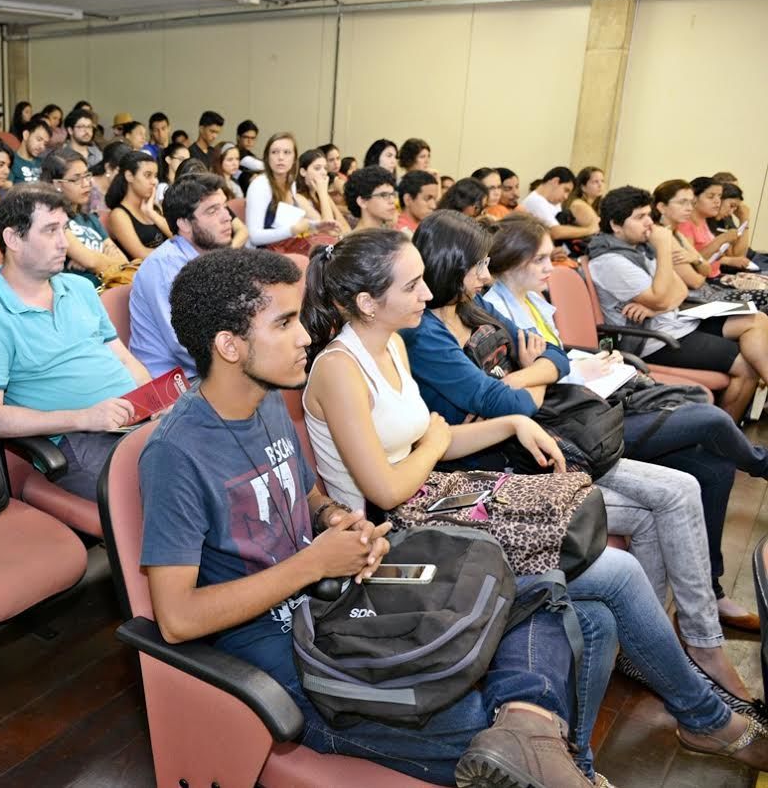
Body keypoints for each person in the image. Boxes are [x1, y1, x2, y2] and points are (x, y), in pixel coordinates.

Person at [299, 229, 768, 780]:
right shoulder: (338, 367)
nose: (428, 294)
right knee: (613, 573)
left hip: (430, 504)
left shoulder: (393, 343)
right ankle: (707, 719)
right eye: (413, 285)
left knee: (593, 616)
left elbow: (440, 438)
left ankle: (577, 765)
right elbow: (385, 488)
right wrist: (433, 440)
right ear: (366, 303)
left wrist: (514, 421)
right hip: (392, 544)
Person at [146, 246, 595, 787]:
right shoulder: (176, 453)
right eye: (285, 323)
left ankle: (531, 736)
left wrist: (338, 518)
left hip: (335, 604)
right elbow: (177, 619)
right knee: (498, 717)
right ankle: (542, 745)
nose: (305, 336)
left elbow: (304, 491)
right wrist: (313, 565)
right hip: (296, 667)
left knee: (547, 596)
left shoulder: (264, 399)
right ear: (229, 345)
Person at [402, 209, 758, 705]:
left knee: (684, 486)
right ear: (449, 266)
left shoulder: (473, 309)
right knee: (675, 490)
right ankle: (687, 649)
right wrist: (525, 381)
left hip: (536, 444)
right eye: (478, 266)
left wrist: (521, 379)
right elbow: (506, 402)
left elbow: (554, 356)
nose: (487, 275)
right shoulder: (424, 334)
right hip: (493, 467)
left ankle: (691, 642)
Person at [485, 212, 768, 630]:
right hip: (572, 431)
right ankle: (761, 465)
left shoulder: (531, 301)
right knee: (709, 420)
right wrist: (565, 369)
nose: (553, 265)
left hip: (591, 406)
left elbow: (556, 360)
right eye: (541, 259)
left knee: (714, 464)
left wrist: (588, 362)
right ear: (511, 262)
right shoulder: (495, 314)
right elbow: (521, 390)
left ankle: (712, 593)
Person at [0, 183, 150, 499]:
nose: (64, 243)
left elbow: (123, 357)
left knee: (217, 458)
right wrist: (85, 418)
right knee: (174, 489)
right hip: (77, 441)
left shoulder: (80, 288)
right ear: (13, 239)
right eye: (50, 231)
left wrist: (152, 402)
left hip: (132, 419)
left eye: (64, 229)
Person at [588, 186, 768, 420]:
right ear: (615, 225)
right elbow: (665, 295)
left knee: (756, 319)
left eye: (648, 216)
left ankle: (726, 432)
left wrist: (656, 304)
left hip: (674, 322)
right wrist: (663, 249)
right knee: (746, 364)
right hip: (653, 340)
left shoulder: (637, 249)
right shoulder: (611, 261)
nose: (649, 224)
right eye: (640, 217)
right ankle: (722, 435)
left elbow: (680, 289)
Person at [128, 174, 233, 378]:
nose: (227, 216)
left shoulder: (215, 257)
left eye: (224, 206)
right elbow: (184, 344)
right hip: (173, 383)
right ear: (184, 224)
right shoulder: (164, 267)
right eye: (212, 211)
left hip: (210, 368)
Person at [40, 149, 129, 285]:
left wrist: (94, 259)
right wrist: (96, 259)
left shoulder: (91, 219)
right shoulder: (54, 221)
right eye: (76, 179)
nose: (86, 184)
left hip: (108, 286)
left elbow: (124, 262)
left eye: (86, 176)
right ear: (57, 184)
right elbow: (91, 261)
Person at [244, 132, 341, 252]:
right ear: (267, 157)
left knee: (331, 247)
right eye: (274, 152)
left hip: (287, 248)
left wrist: (316, 226)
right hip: (262, 254)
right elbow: (254, 237)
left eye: (287, 152)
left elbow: (290, 223)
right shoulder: (260, 185)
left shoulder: (291, 183)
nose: (280, 157)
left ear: (294, 159)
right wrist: (292, 230)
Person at [105, 150, 171, 263]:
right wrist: (174, 253)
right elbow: (140, 254)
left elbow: (176, 236)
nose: (154, 181)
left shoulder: (153, 207)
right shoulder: (118, 214)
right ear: (129, 176)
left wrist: (152, 213)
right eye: (148, 175)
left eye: (155, 176)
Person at [680, 176, 753, 270]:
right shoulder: (686, 224)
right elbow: (693, 263)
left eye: (719, 196)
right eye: (711, 196)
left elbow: (732, 256)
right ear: (694, 198)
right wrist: (721, 239)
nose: (717, 201)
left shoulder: (703, 221)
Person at [520, 167, 598, 241]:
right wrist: (590, 229)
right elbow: (556, 232)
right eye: (566, 190)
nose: (566, 197)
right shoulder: (535, 201)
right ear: (555, 181)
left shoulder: (554, 203)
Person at [297, 147, 349, 236]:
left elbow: (347, 229)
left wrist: (324, 195)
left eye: (325, 168)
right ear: (303, 172)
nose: (323, 172)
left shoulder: (321, 194)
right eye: (317, 168)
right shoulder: (299, 198)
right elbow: (329, 232)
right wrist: (323, 194)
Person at [345, 166, 398, 232]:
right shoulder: (354, 241)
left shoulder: (390, 236)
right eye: (384, 195)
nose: (392, 201)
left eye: (393, 194)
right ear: (362, 202)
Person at [394, 169, 439, 238]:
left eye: (434, 199)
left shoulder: (426, 228)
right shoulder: (400, 235)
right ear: (408, 199)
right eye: (427, 199)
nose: (433, 206)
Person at [8, 116, 49, 184]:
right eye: (38, 139)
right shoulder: (11, 161)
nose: (42, 147)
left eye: (45, 144)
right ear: (26, 135)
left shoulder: (43, 163)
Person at [565, 166, 605, 233]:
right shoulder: (578, 204)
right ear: (583, 187)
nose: (600, 185)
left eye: (602, 181)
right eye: (595, 182)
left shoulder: (599, 204)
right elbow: (599, 230)